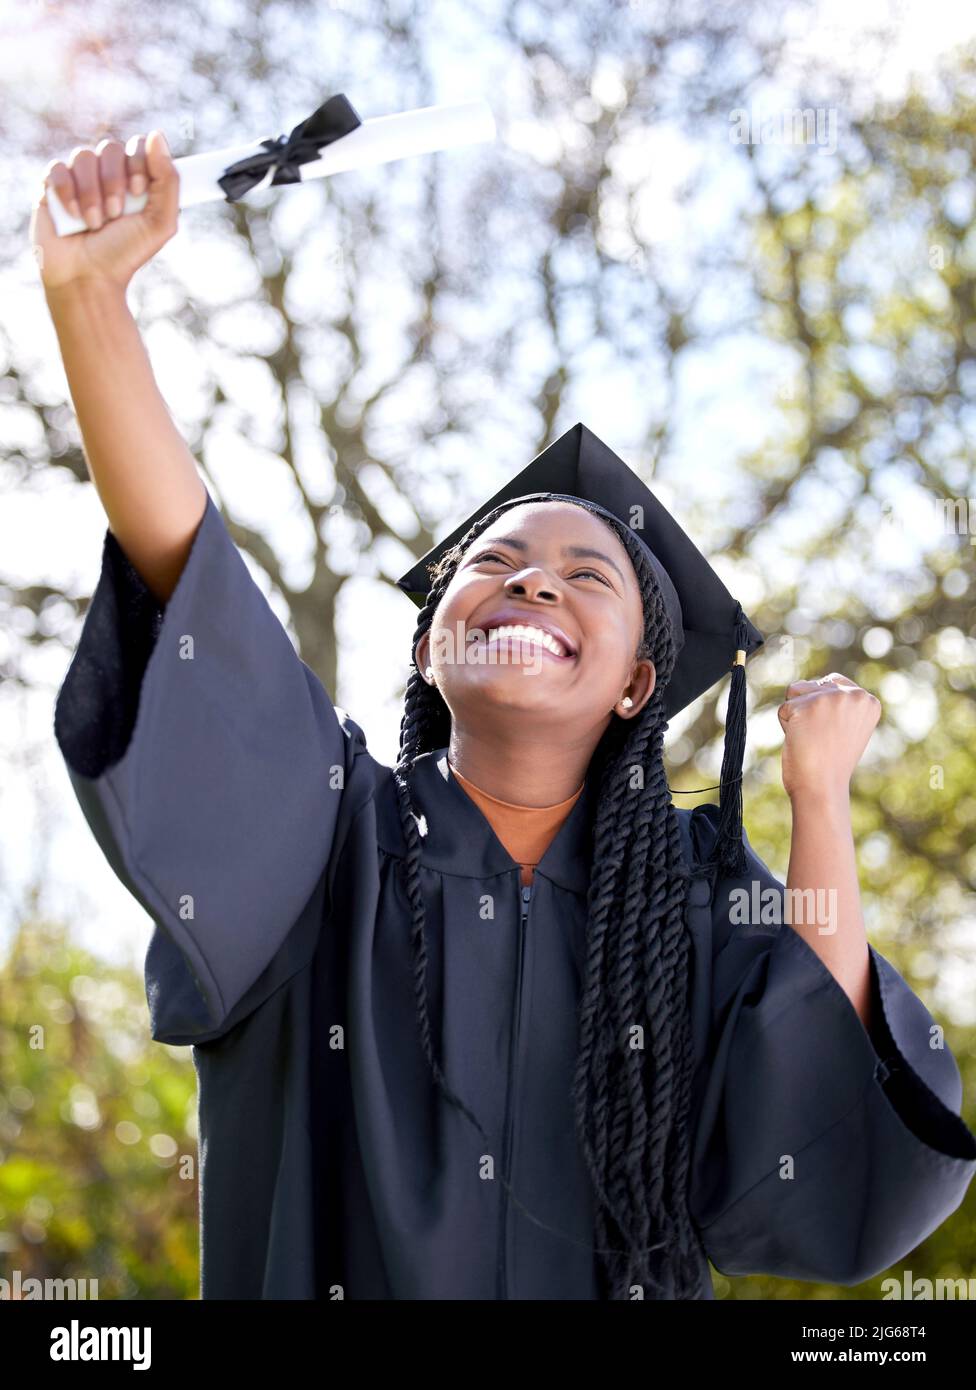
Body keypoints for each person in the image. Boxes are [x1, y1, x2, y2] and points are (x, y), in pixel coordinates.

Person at [33, 132, 976, 1301]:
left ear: (638, 678)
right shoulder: (330, 844)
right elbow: (192, 582)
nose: (534, 581)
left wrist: (817, 795)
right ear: (433, 645)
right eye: (498, 561)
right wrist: (89, 300)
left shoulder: (676, 893)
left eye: (589, 576)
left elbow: (809, 1064)